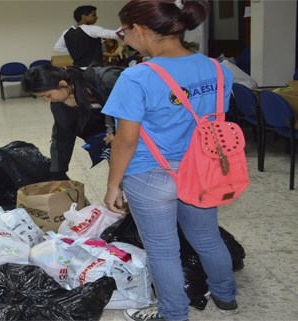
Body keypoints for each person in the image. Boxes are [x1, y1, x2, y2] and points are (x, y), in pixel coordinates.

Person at [101, 0, 238, 320]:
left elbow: (126, 140)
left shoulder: (137, 77)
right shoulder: (217, 68)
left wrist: (112, 184)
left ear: (140, 29)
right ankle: (226, 296)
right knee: (207, 238)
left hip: (151, 174)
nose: (125, 38)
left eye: (124, 32)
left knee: (163, 252)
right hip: (202, 169)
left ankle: (174, 313)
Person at [22, 64, 122, 193]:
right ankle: (125, 203)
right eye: (43, 97)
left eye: (47, 95)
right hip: (112, 134)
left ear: (63, 84)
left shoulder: (108, 81)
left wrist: (118, 133)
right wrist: (58, 174)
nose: (47, 100)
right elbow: (62, 135)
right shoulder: (61, 103)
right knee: (120, 171)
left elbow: (142, 110)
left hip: (144, 130)